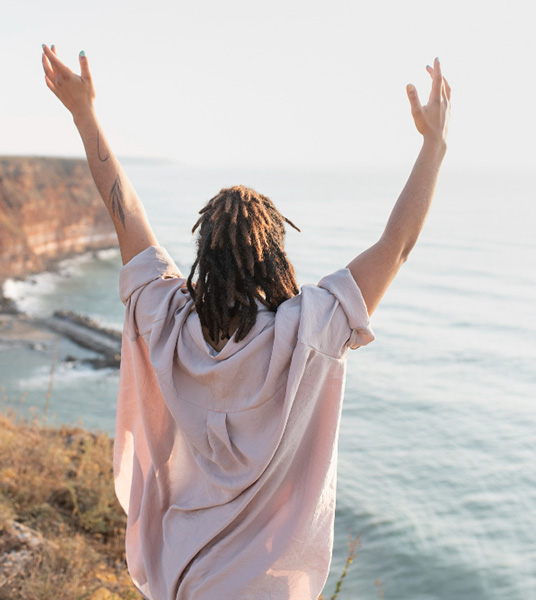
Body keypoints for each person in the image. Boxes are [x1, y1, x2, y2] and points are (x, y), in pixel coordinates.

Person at [42, 46, 451, 600]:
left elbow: (126, 211)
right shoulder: (312, 328)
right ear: (275, 253)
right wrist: (434, 145)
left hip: (182, 575)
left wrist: (84, 114)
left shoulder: (165, 322)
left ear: (203, 254)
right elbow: (397, 245)